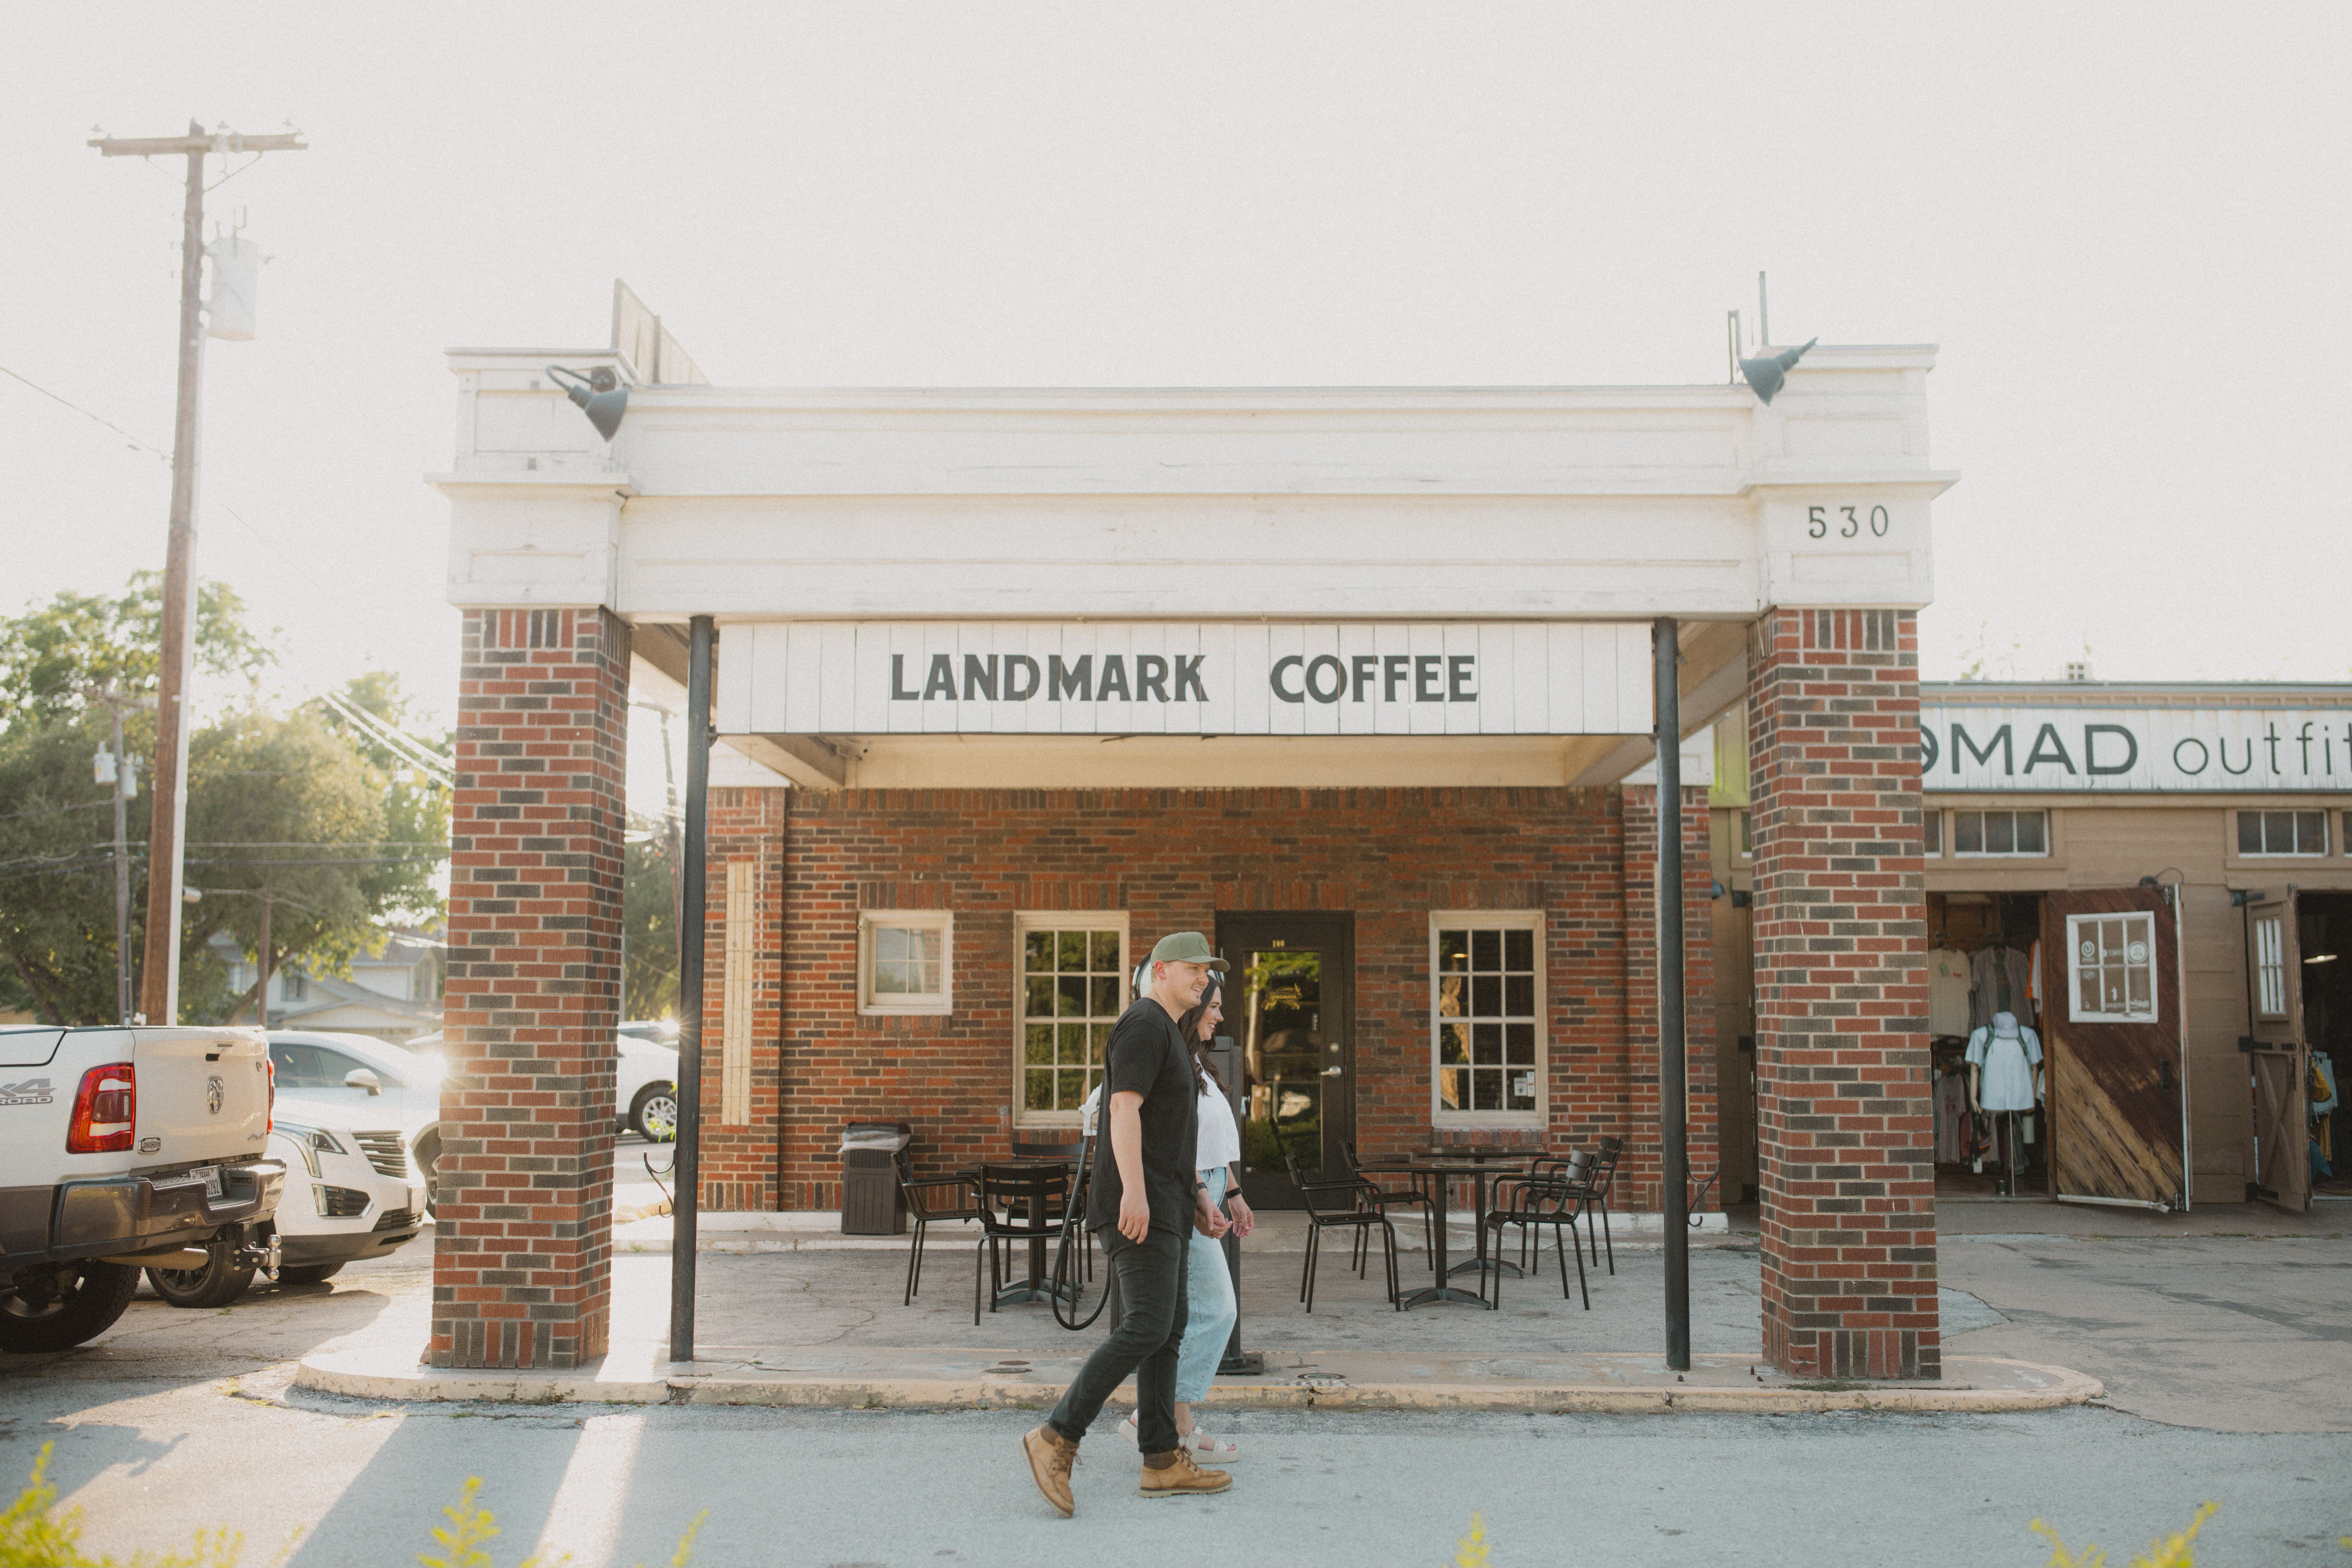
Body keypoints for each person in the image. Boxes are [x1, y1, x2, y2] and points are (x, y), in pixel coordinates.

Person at [1023, 932, 1236, 1516]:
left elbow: (1170, 1134)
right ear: (1161, 970)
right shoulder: (1143, 1022)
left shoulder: (1171, 1032)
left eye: (1207, 973)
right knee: (1145, 1326)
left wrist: (1197, 1196)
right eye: (1194, 970)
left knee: (1168, 1329)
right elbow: (1123, 1109)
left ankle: (1162, 1458)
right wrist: (1136, 1195)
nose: (1202, 980)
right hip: (1136, 1204)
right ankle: (1054, 1438)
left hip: (1168, 1204)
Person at [1117, 970, 1252, 1460]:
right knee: (1213, 1310)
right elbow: (1170, 1137)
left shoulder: (1198, 1062)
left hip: (1211, 1187)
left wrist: (1232, 1190)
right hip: (1186, 1194)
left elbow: (1211, 1139)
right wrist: (1201, 1194)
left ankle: (1170, 1420)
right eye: (1212, 1005)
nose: (1218, 1014)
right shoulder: (1166, 1054)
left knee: (1188, 1315)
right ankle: (1157, 1418)